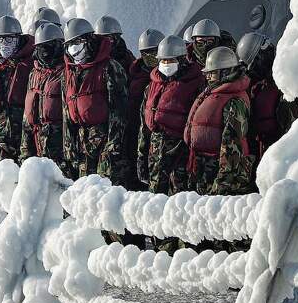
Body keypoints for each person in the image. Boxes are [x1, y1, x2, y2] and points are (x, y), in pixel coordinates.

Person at [138, 35, 205, 195]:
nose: (166, 65)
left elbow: (197, 123)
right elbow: (144, 123)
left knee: (178, 198)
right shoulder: (151, 87)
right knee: (155, 197)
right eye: (163, 61)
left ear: (182, 60)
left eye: (171, 61)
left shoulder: (195, 84)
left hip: (180, 151)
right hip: (155, 151)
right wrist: (142, 154)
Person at [63, 18, 128, 182]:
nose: (73, 48)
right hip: (82, 141)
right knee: (84, 191)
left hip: (105, 140)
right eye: (70, 44)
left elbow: (119, 109)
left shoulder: (110, 67)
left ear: (88, 40)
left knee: (106, 191)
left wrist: (113, 145)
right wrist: (69, 143)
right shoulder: (70, 73)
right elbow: (66, 109)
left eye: (77, 42)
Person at [184, 46, 253, 195]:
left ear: (225, 72)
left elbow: (232, 144)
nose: (208, 77)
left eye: (212, 73)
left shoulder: (234, 100)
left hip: (224, 175)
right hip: (206, 169)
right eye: (207, 73)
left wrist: (222, 183)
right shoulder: (213, 93)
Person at [237, 32, 298, 165]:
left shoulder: (288, 85)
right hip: (268, 158)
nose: (252, 73)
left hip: (286, 157)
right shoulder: (259, 89)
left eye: (253, 67)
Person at [0, 15, 34, 161]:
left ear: (18, 38)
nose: (5, 44)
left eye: (9, 39)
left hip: (25, 140)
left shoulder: (30, 63)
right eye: (1, 39)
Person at [20, 22, 66, 170]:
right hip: (37, 144)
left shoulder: (66, 73)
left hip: (60, 150)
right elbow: (27, 116)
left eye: (50, 46)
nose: (45, 52)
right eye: (41, 47)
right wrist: (25, 152)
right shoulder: (34, 73)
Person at [123, 28, 165, 190]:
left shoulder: (165, 77)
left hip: (154, 133)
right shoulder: (134, 74)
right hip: (134, 130)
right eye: (145, 53)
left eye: (153, 52)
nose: (150, 57)